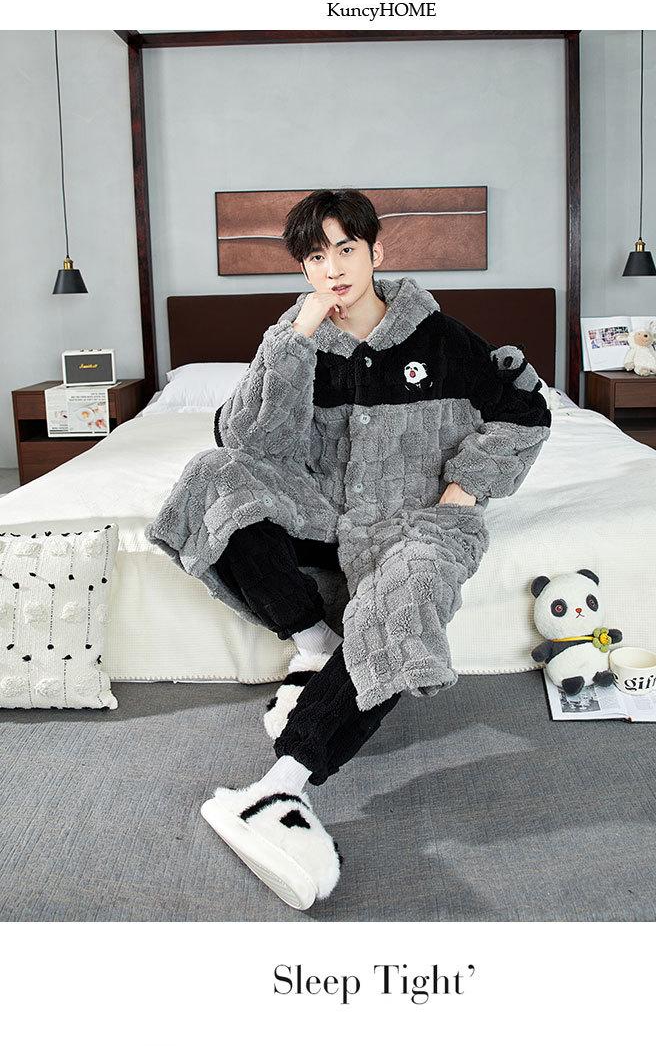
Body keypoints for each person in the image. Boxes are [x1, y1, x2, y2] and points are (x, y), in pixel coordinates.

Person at [146, 188, 551, 910]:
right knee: (214, 477)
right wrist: (295, 339)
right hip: (321, 508)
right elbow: (249, 444)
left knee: (408, 591)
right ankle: (315, 644)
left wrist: (463, 489)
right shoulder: (294, 337)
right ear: (302, 268)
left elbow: (525, 410)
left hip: (415, 521)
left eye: (345, 249)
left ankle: (283, 786)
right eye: (314, 256)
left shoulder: (441, 338)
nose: (332, 268)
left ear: (375, 252)